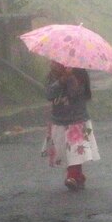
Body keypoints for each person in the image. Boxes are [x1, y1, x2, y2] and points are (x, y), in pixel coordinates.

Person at [43, 61, 100, 190]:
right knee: (64, 151)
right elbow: (48, 94)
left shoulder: (79, 72)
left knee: (75, 151)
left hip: (76, 120)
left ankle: (72, 176)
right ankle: (78, 176)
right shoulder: (52, 76)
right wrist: (62, 79)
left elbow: (77, 93)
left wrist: (70, 78)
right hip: (59, 120)